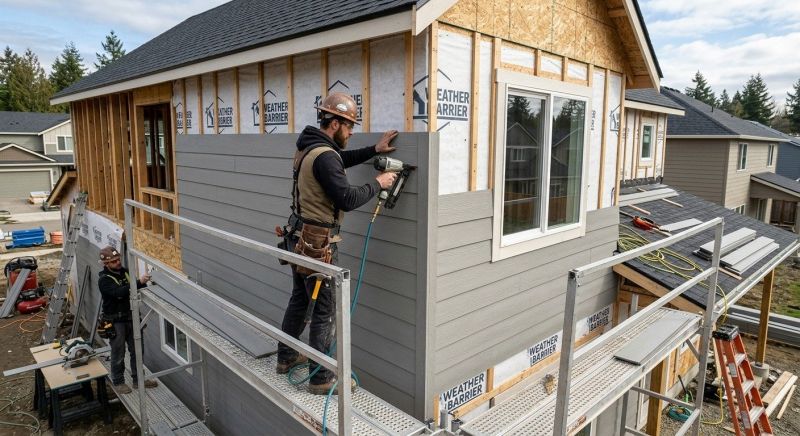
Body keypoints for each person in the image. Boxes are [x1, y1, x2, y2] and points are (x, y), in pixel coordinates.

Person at [276, 93, 398, 395]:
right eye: (349, 126)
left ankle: (286, 358)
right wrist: (379, 184)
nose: (352, 131)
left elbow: (340, 159)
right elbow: (346, 198)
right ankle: (321, 379)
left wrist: (374, 150)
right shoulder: (326, 156)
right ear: (334, 123)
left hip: (298, 238)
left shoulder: (310, 147)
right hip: (318, 244)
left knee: (300, 300)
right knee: (325, 309)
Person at [98, 246, 158, 394]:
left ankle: (139, 380)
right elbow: (119, 293)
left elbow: (134, 289)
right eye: (113, 261)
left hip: (131, 317)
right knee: (118, 352)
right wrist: (138, 282)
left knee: (137, 350)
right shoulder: (104, 280)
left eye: (118, 259)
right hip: (116, 321)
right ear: (106, 264)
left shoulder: (124, 272)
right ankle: (118, 382)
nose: (117, 262)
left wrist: (144, 282)